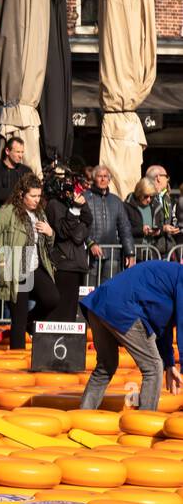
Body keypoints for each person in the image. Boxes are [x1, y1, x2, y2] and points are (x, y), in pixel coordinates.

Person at [79, 260, 183, 412]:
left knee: (105, 366)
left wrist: (170, 363)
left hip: (99, 304)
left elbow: (165, 327)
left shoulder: (170, 275)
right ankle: (145, 423)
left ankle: (84, 414)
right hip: (122, 309)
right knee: (153, 368)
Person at [0, 174, 58, 350]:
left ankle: (29, 323)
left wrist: (50, 233)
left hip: (35, 266)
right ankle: (16, 361)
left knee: (52, 299)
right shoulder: (8, 211)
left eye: (38, 196)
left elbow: (48, 244)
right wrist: (0, 258)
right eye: (33, 196)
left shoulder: (40, 213)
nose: (37, 200)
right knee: (18, 321)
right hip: (16, 269)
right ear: (21, 194)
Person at [46, 172, 94, 322]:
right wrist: (74, 211)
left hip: (77, 263)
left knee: (72, 310)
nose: (67, 186)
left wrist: (80, 204)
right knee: (62, 311)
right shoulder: (53, 204)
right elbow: (63, 231)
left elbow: (87, 220)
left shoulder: (72, 201)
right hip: (64, 263)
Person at [85, 164, 137, 281]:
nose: (103, 179)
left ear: (109, 180)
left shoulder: (116, 201)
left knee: (109, 290)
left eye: (105, 176)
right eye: (99, 176)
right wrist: (90, 243)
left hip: (113, 255)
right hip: (90, 255)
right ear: (94, 178)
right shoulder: (85, 198)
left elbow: (125, 228)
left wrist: (130, 252)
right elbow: (79, 226)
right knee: (89, 292)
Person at [0, 137, 33, 208]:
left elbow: (32, 191)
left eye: (22, 152)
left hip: (22, 210)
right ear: (7, 151)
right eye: (17, 152)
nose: (20, 156)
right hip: (1, 211)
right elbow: (0, 194)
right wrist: (20, 191)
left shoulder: (26, 171)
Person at [145, 165, 180, 247]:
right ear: (158, 177)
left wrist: (176, 227)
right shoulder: (146, 198)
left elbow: (171, 219)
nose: (168, 179)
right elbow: (145, 224)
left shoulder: (166, 197)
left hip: (167, 247)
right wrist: (163, 228)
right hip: (151, 249)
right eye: (166, 176)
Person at [125, 177, 164, 246]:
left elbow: (160, 225)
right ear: (139, 193)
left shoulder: (155, 206)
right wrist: (141, 230)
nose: (149, 199)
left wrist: (159, 231)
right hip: (134, 250)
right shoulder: (127, 206)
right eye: (146, 196)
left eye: (151, 196)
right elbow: (123, 229)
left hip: (152, 250)